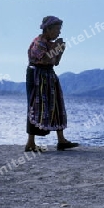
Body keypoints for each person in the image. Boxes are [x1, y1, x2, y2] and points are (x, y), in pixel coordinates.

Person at [25, 16, 79, 152]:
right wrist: (56, 48)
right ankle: (30, 143)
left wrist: (60, 51)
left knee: (56, 105)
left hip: (49, 74)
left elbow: (55, 62)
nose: (59, 32)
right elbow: (44, 60)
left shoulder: (49, 43)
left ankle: (61, 140)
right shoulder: (39, 43)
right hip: (37, 75)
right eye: (57, 29)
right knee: (35, 106)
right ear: (48, 29)